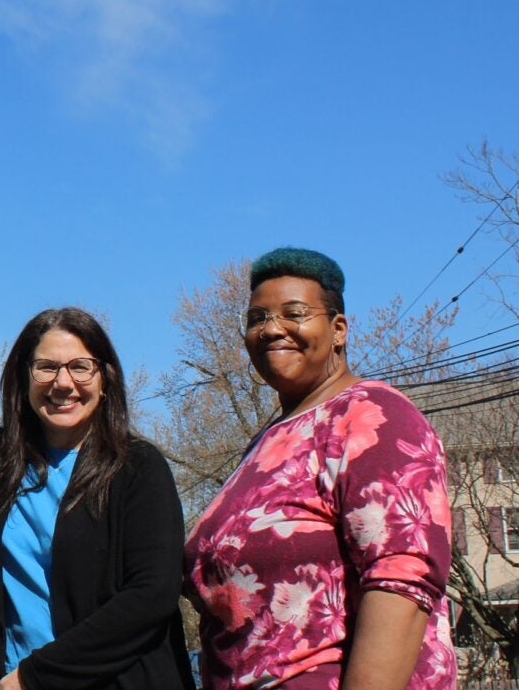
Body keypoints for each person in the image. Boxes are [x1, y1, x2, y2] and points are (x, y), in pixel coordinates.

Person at [184, 248, 455, 688]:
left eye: (294, 313)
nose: (271, 329)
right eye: (256, 319)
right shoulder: (266, 444)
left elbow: (402, 582)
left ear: (338, 330)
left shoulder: (372, 417)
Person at [0, 296, 193, 690]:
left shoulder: (137, 468)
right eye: (46, 367)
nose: (63, 383)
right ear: (23, 378)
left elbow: (151, 597)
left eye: (81, 367)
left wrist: (37, 676)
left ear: (105, 380)